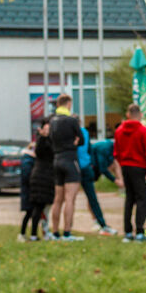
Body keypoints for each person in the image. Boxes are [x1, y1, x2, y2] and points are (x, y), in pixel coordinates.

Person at [112, 102, 146, 240]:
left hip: (126, 167)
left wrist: (122, 164)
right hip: (140, 167)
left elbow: (116, 152)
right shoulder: (143, 131)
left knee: (129, 198)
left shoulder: (119, 131)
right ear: (140, 115)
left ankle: (128, 231)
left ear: (128, 115)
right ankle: (140, 231)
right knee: (142, 198)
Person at [47, 94, 86, 240]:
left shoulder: (52, 121)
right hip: (70, 159)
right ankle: (67, 232)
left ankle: (55, 232)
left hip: (57, 159)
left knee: (58, 199)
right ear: (68, 104)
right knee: (70, 198)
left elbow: (50, 139)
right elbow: (81, 139)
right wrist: (74, 143)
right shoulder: (71, 120)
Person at [75, 116, 116, 235]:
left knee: (71, 199)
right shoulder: (84, 132)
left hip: (79, 168)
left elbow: (88, 150)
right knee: (91, 198)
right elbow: (89, 150)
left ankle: (100, 223)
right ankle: (102, 224)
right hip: (83, 167)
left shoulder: (81, 133)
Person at [21, 119, 55, 241]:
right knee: (37, 207)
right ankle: (34, 234)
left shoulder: (50, 142)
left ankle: (41, 233)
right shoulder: (42, 143)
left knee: (41, 208)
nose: (47, 131)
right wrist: (41, 136)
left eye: (49, 129)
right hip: (41, 179)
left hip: (47, 178)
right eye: (45, 129)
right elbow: (40, 150)